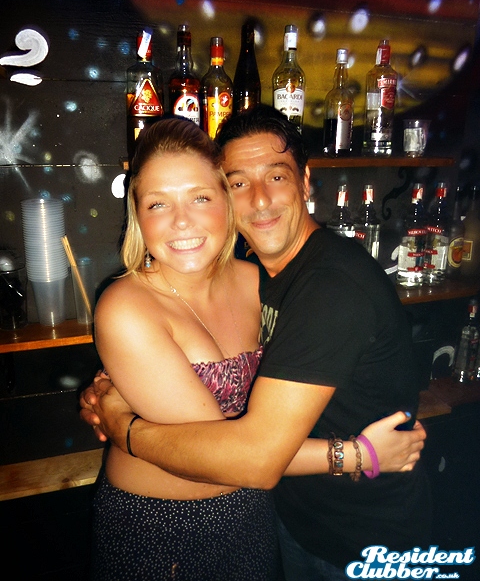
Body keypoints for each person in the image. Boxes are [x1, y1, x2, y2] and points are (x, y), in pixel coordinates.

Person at [82, 107, 430, 580]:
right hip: (163, 528)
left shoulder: (280, 283)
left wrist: (123, 425)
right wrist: (358, 454)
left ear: (305, 182)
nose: (182, 222)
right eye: (159, 204)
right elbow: (242, 457)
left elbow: (251, 457)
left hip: (323, 528)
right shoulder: (135, 304)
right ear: (138, 216)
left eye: (200, 197)